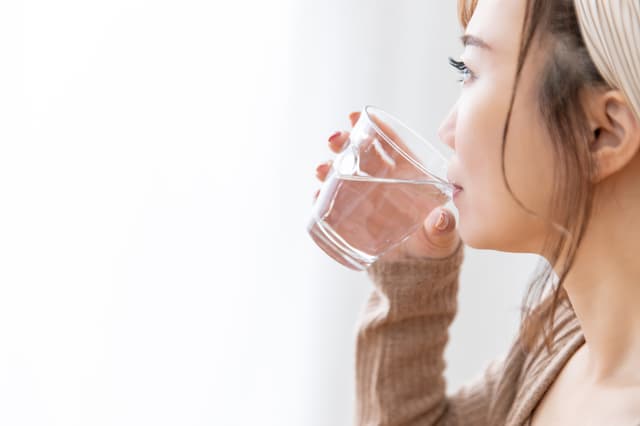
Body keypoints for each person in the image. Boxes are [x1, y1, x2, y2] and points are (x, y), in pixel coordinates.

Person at [314, 0, 640, 424]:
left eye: (469, 70)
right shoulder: (560, 343)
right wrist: (409, 269)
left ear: (601, 133)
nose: (446, 129)